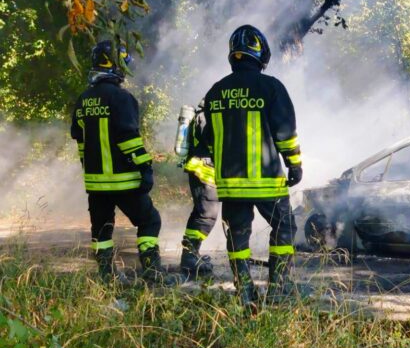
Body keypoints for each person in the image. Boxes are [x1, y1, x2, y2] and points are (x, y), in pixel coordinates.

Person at [201, 25, 303, 310]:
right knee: (285, 227)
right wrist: (294, 164)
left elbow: (209, 138)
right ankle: (278, 287)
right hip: (266, 181)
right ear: (261, 54)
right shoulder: (271, 87)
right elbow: (286, 131)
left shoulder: (215, 92)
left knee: (237, 235)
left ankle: (245, 292)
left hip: (231, 185)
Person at [70, 40, 178, 285]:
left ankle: (106, 276)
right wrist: (145, 168)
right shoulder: (121, 97)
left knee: (101, 229)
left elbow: (80, 142)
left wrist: (91, 172)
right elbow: (129, 138)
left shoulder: (84, 100)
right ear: (116, 64)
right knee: (150, 220)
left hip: (96, 184)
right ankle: (153, 272)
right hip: (125, 181)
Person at [178, 100, 217, 278]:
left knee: (200, 212)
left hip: (200, 169)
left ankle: (191, 254)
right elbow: (213, 144)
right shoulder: (205, 117)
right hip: (204, 171)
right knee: (206, 215)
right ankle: (189, 257)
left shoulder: (200, 115)